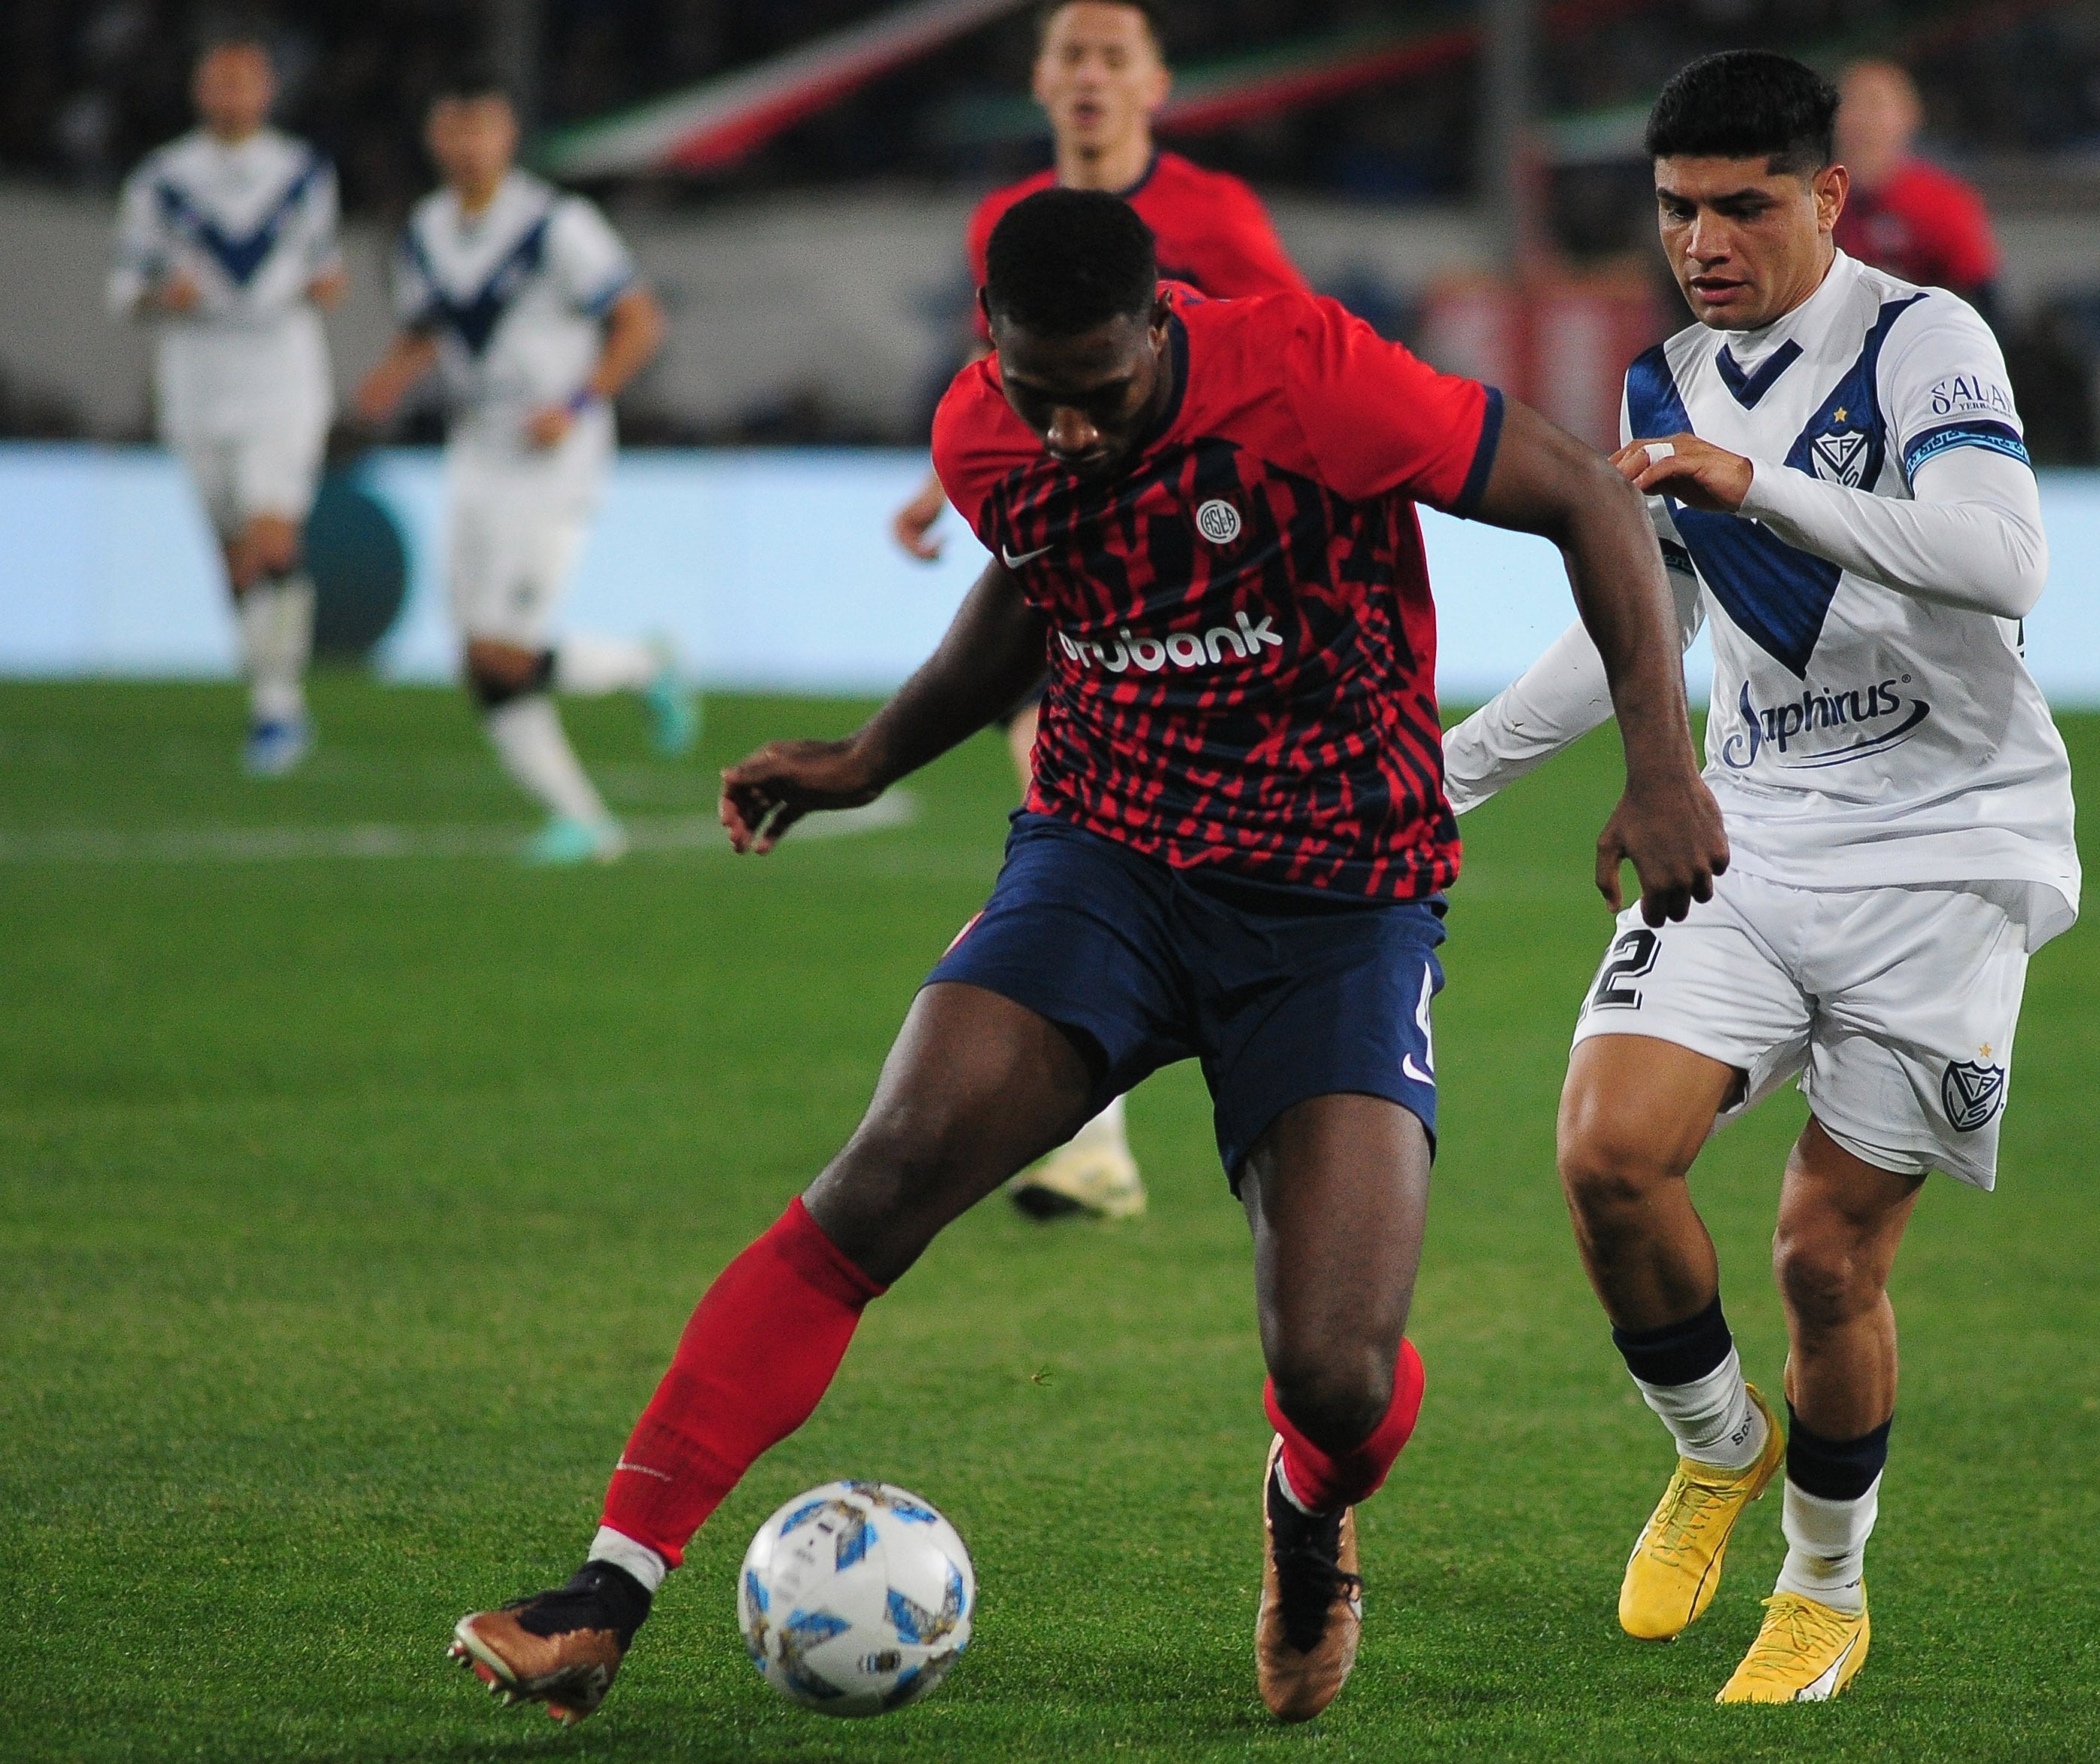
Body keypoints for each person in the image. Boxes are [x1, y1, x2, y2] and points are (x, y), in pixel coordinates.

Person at [445, 188, 1724, 1729]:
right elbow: (1031, 593)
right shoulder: (986, 431)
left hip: (1334, 896)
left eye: (1099, 394)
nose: (1061, 429)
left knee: (1332, 1367)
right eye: (1032, 391)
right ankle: (604, 1588)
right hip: (1105, 858)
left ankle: (1308, 1514)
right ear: (989, 342)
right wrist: (871, 756)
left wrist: (1661, 764)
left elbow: (1585, 495)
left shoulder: (1311, 379)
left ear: (1161, 327)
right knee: (878, 1176)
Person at [1442, 50, 2075, 1704]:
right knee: (1605, 1154)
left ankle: (1822, 1580)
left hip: (1946, 850)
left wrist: (1761, 485)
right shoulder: (1663, 384)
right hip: (1753, 822)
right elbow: (1633, 625)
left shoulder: (1919, 337)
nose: (1701, 239)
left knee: (1820, 1258)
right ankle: (1716, 1444)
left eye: (1737, 205)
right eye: (1673, 209)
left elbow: (2003, 558)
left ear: (1820, 199)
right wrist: (1450, 772)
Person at [893, 0, 1312, 1221]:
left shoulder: (1215, 215)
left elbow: (1300, 348)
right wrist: (933, 488)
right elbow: (1012, 382)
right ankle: (1094, 1134)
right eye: (1069, 55)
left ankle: (1101, 1107)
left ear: (1156, 83)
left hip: (1187, 578)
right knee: (1063, 805)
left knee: (1085, 828)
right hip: (1070, 566)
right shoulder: (1002, 223)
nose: (1088, 76)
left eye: (1110, 56)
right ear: (1038, 80)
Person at [352, 71, 693, 867]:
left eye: (483, 129)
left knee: (502, 650)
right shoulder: (425, 230)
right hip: (477, 450)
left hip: (555, 453)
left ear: (508, 137)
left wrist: (577, 402)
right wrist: (371, 400)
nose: (468, 146)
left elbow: (639, 321)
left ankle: (647, 666)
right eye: (454, 130)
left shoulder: (557, 224)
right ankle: (583, 821)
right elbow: (425, 332)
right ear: (435, 139)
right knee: (478, 659)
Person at [108, 37, 343, 777]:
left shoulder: (302, 173)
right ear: (200, 91)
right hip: (197, 379)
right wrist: (156, 295)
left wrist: (319, 285)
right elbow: (122, 288)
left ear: (267, 89)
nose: (233, 95)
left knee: (274, 539)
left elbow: (323, 266)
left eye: (245, 81)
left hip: (281, 374)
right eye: (220, 82)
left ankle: (279, 706)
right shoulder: (161, 180)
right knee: (234, 555)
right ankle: (274, 699)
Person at [1831, 59, 1999, 319]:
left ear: (1908, 117)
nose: (1861, 120)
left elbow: (1981, 299)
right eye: (1850, 104)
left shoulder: (1942, 202)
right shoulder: (1811, 200)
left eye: (1874, 105)